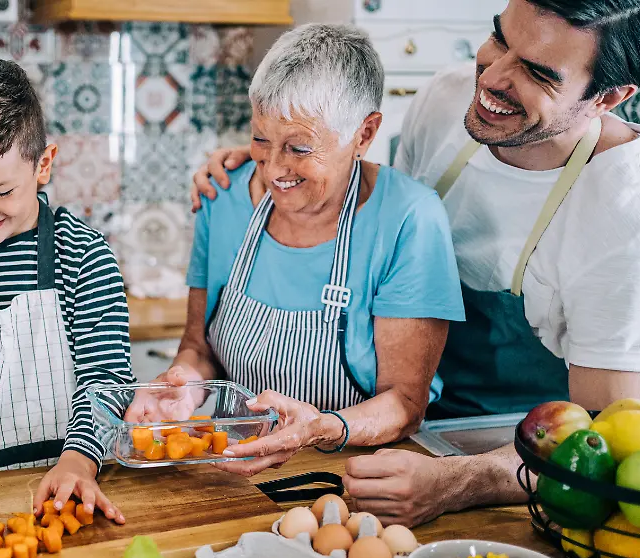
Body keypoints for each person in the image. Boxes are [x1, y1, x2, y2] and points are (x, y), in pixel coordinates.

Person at [192, 0, 640, 526]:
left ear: (611, 97)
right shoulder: (446, 102)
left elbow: (604, 446)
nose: (493, 77)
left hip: (519, 471)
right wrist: (277, 157)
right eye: (500, 39)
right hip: (410, 437)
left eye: (537, 72)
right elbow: (385, 230)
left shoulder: (628, 221)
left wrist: (461, 481)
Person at [128, 24, 465, 477]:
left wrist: (317, 428)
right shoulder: (223, 197)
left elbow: (406, 403)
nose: (274, 169)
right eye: (261, 139)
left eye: (299, 147)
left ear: (364, 134)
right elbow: (197, 347)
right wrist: (182, 390)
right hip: (233, 471)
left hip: (351, 477)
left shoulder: (409, 219)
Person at [0, 58, 132, 524]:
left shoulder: (84, 257)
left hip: (80, 482)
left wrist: (78, 460)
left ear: (43, 165)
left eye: (0, 191)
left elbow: (106, 376)